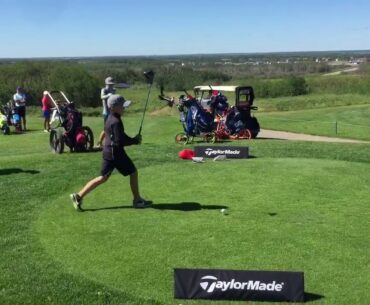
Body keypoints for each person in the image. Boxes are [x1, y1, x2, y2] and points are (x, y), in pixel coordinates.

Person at [70, 94, 152, 210]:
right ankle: (137, 200)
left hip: (109, 151)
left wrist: (133, 139)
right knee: (133, 172)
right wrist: (134, 141)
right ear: (113, 107)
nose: (124, 108)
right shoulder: (116, 121)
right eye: (122, 106)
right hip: (116, 154)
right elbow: (120, 140)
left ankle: (78, 196)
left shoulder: (110, 117)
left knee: (102, 178)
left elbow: (120, 136)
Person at [96, 76, 116, 147]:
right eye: (109, 84)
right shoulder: (104, 90)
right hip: (106, 112)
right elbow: (102, 97)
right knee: (106, 128)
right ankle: (100, 142)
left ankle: (110, 141)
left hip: (112, 111)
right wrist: (108, 95)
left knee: (112, 127)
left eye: (112, 84)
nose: (111, 86)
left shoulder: (113, 90)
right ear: (106, 84)